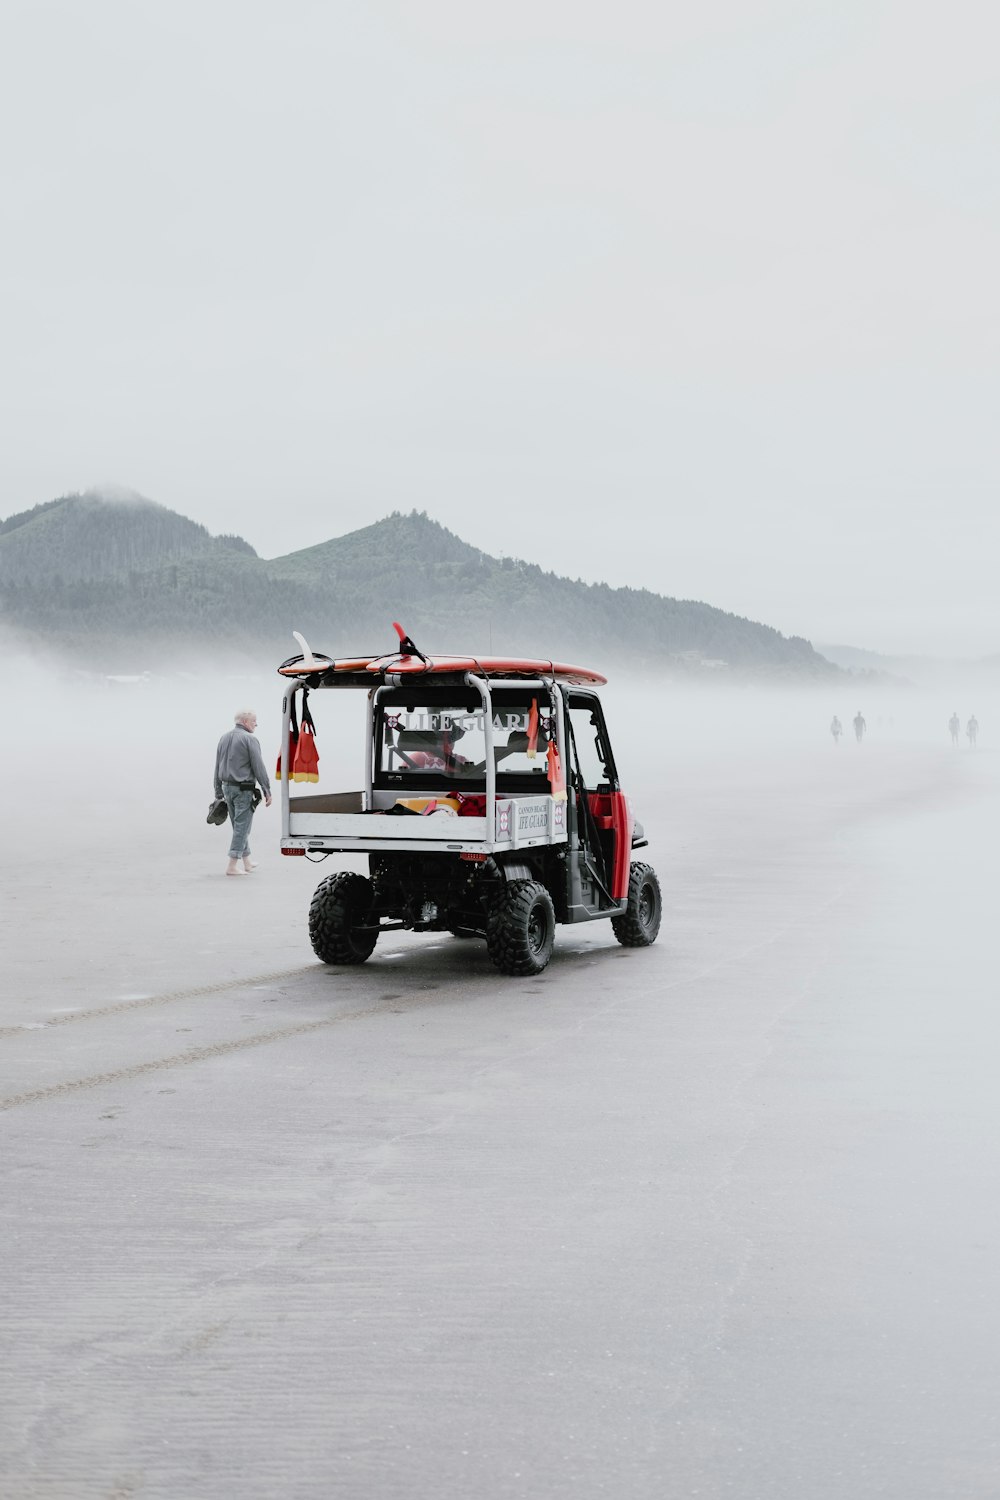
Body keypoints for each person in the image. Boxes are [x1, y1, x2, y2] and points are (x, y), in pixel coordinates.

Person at [214, 709, 272, 876]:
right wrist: (267, 790)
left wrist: (217, 790)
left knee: (239, 826)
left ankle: (247, 862)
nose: (256, 724)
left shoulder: (223, 738)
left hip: (227, 788)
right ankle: (232, 865)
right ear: (246, 722)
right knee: (242, 827)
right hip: (243, 790)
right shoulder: (250, 739)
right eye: (254, 721)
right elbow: (258, 767)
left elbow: (217, 765)